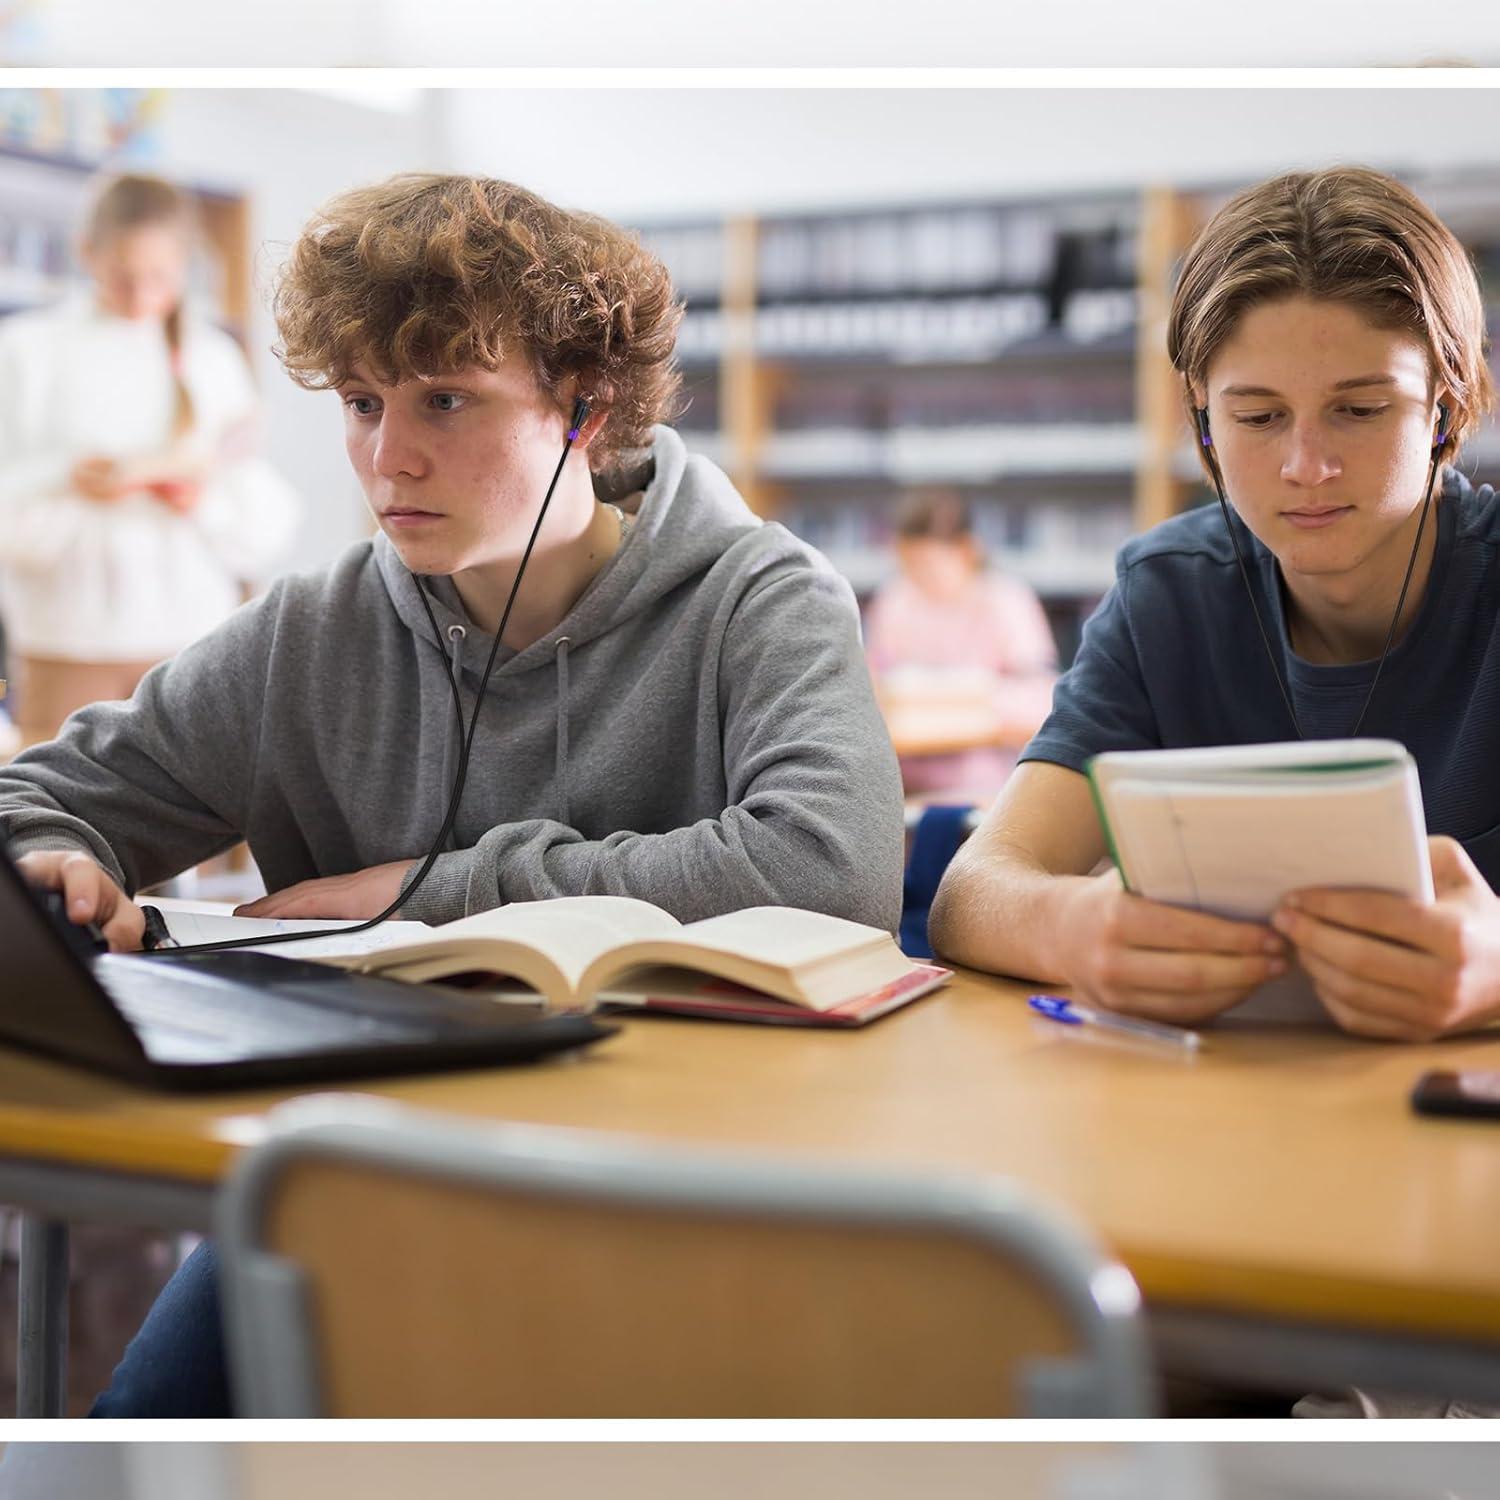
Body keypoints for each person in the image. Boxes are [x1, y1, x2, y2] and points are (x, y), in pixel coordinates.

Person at [0, 171, 904, 1415]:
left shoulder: (761, 599)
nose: (387, 455)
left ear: (585, 411)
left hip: (697, 1196)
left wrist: (435, 894)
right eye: (363, 403)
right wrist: (58, 856)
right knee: (133, 1455)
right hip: (363, 1185)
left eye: (445, 401)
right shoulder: (316, 629)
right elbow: (42, 796)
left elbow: (833, 873)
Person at [930, 166, 1500, 1044]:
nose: (1306, 466)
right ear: (1202, 422)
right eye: (1259, 418)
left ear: (1446, 407)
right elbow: (975, 890)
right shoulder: (1166, 593)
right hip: (1213, 1122)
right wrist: (1072, 925)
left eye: (1358, 408)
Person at [0, 173, 300, 745]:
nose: (140, 297)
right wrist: (69, 482)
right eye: (122, 277)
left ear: (187, 263)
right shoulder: (25, 350)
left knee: (196, 820)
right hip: (66, 641)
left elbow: (259, 514)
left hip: (190, 637)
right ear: (86, 253)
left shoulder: (212, 359)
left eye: (160, 278)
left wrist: (198, 498)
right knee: (58, 815)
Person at [863, 489, 1057, 796]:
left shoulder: (1006, 601)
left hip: (984, 773)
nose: (918, 578)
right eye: (909, 565)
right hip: (905, 768)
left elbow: (1041, 700)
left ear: (967, 551)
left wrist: (975, 702)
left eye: (928, 565)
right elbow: (875, 683)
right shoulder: (895, 599)